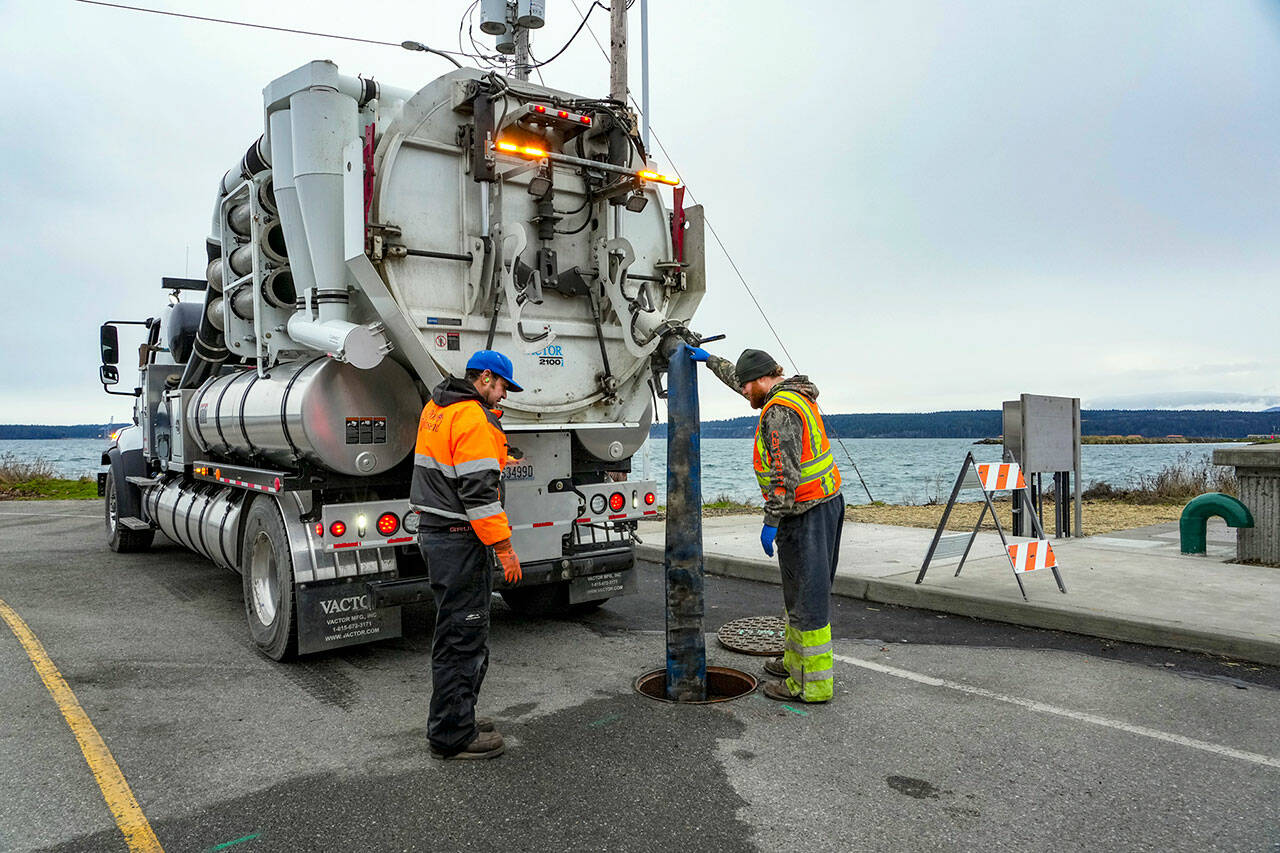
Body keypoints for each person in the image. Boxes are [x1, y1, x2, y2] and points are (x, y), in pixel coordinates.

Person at [689, 346, 845, 703]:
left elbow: (783, 475)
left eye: (746, 386)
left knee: (807, 599)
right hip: (819, 506)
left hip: (805, 513)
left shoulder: (779, 413)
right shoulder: (790, 393)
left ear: (762, 380)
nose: (743, 392)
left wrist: (771, 520)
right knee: (797, 597)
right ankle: (794, 663)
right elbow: (739, 379)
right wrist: (711, 361)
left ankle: (810, 685)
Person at [410, 349, 525, 759]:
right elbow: (478, 494)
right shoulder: (473, 417)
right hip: (460, 538)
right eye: (502, 388)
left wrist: (499, 455)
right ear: (486, 379)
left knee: (456, 632)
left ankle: (459, 715)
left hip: (439, 534)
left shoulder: (439, 406)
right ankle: (453, 735)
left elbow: (453, 463)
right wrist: (505, 547)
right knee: (463, 636)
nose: (504, 397)